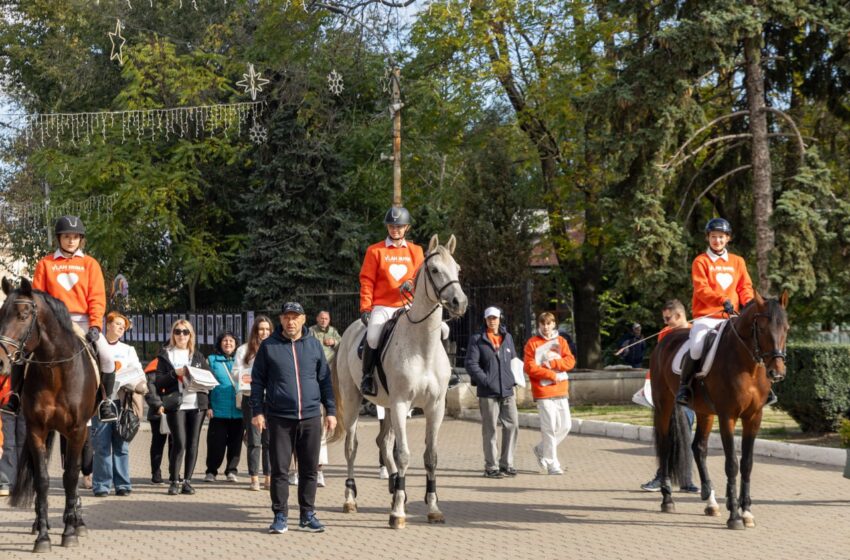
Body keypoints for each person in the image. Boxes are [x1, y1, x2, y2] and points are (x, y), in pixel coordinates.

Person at [1, 216, 117, 421]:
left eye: (75, 237)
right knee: (23, 353)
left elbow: (97, 298)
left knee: (107, 356)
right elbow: (36, 297)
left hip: (82, 320)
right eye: (66, 236)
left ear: (80, 239)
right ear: (59, 238)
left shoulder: (90, 264)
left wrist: (96, 325)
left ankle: (105, 402)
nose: (71, 240)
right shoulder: (46, 263)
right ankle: (15, 396)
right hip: (53, 323)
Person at [251, 302, 337, 534]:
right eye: (287, 317)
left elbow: (325, 381)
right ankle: (280, 515)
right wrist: (257, 411)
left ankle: (307, 515)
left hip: (310, 416)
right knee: (279, 469)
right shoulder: (269, 347)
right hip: (279, 417)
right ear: (281, 320)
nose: (291, 321)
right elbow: (257, 381)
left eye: (295, 317)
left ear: (303, 319)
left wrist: (331, 411)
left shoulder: (314, 345)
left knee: (309, 469)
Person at [676, 218, 756, 406]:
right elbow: (701, 289)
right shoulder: (701, 261)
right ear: (708, 238)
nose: (717, 241)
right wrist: (723, 300)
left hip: (732, 318)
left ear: (728, 238)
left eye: (721, 237)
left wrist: (750, 303)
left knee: (754, 342)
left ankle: (761, 388)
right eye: (713, 237)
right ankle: (684, 387)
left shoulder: (738, 261)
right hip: (707, 316)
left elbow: (745, 287)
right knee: (696, 346)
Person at [358, 207, 425, 396]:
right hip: (383, 305)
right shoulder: (375, 251)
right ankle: (367, 377)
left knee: (440, 329)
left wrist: (411, 284)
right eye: (391, 226)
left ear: (407, 228)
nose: (395, 229)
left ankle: (447, 372)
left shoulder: (416, 251)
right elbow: (367, 280)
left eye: (399, 226)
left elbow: (420, 277)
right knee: (372, 336)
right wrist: (366, 307)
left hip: (410, 304)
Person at [638, 300, 698, 493]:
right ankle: (663, 476)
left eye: (668, 318)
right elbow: (660, 366)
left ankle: (686, 479)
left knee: (685, 434)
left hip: (687, 393)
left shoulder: (696, 333)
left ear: (679, 316)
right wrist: (649, 384)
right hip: (667, 392)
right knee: (667, 434)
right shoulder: (665, 334)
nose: (665, 323)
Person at [152, 319, 210, 496]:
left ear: (190, 334)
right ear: (173, 334)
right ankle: (174, 480)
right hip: (176, 404)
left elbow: (209, 378)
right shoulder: (165, 355)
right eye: (178, 332)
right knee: (179, 442)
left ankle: (187, 481)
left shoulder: (197, 356)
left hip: (196, 404)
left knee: (193, 443)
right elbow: (158, 381)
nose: (181, 335)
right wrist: (174, 373)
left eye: (185, 332)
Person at [91, 312, 142, 497]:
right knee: (101, 445)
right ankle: (102, 486)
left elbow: (138, 373)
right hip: (101, 402)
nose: (121, 328)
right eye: (118, 324)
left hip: (121, 402)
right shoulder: (96, 346)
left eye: (124, 327)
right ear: (108, 324)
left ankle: (123, 484)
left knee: (121, 445)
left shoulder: (128, 350)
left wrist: (131, 381)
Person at [465, 306, 519, 479]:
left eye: (495, 318)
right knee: (490, 430)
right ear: (485, 320)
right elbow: (471, 364)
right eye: (489, 318)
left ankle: (507, 464)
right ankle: (491, 467)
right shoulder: (477, 339)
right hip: (488, 392)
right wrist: (486, 380)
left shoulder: (507, 337)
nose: (492, 321)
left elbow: (514, 360)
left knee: (512, 426)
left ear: (499, 319)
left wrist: (513, 379)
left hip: (508, 390)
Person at [524, 312, 576, 475]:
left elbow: (570, 361)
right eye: (542, 324)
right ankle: (553, 463)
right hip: (543, 391)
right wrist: (551, 374)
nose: (545, 327)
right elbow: (530, 367)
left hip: (561, 389)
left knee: (566, 425)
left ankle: (541, 450)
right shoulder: (532, 343)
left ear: (554, 324)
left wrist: (553, 363)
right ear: (538, 325)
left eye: (549, 324)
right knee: (550, 427)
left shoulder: (561, 341)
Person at [234, 315, 273, 492]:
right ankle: (254, 477)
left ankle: (269, 477)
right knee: (254, 440)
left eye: (267, 329)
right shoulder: (244, 350)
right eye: (261, 329)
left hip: (272, 399)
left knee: (269, 440)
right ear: (255, 331)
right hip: (251, 397)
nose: (264, 332)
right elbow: (236, 372)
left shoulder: (276, 347)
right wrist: (249, 374)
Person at [205, 331, 244, 483]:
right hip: (218, 410)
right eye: (225, 341)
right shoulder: (212, 360)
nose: (228, 343)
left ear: (236, 344)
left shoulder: (241, 360)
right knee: (216, 443)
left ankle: (232, 470)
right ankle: (211, 471)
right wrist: (208, 405)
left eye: (231, 341)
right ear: (220, 343)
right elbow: (206, 385)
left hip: (238, 410)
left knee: (235, 444)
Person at [308, 310, 340, 487]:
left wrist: (334, 342)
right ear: (316, 319)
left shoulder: (333, 331)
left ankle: (318, 470)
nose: (323, 320)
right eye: (321, 318)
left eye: (326, 318)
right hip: (313, 374)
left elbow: (343, 345)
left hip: (331, 372)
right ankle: (296, 471)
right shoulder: (311, 331)